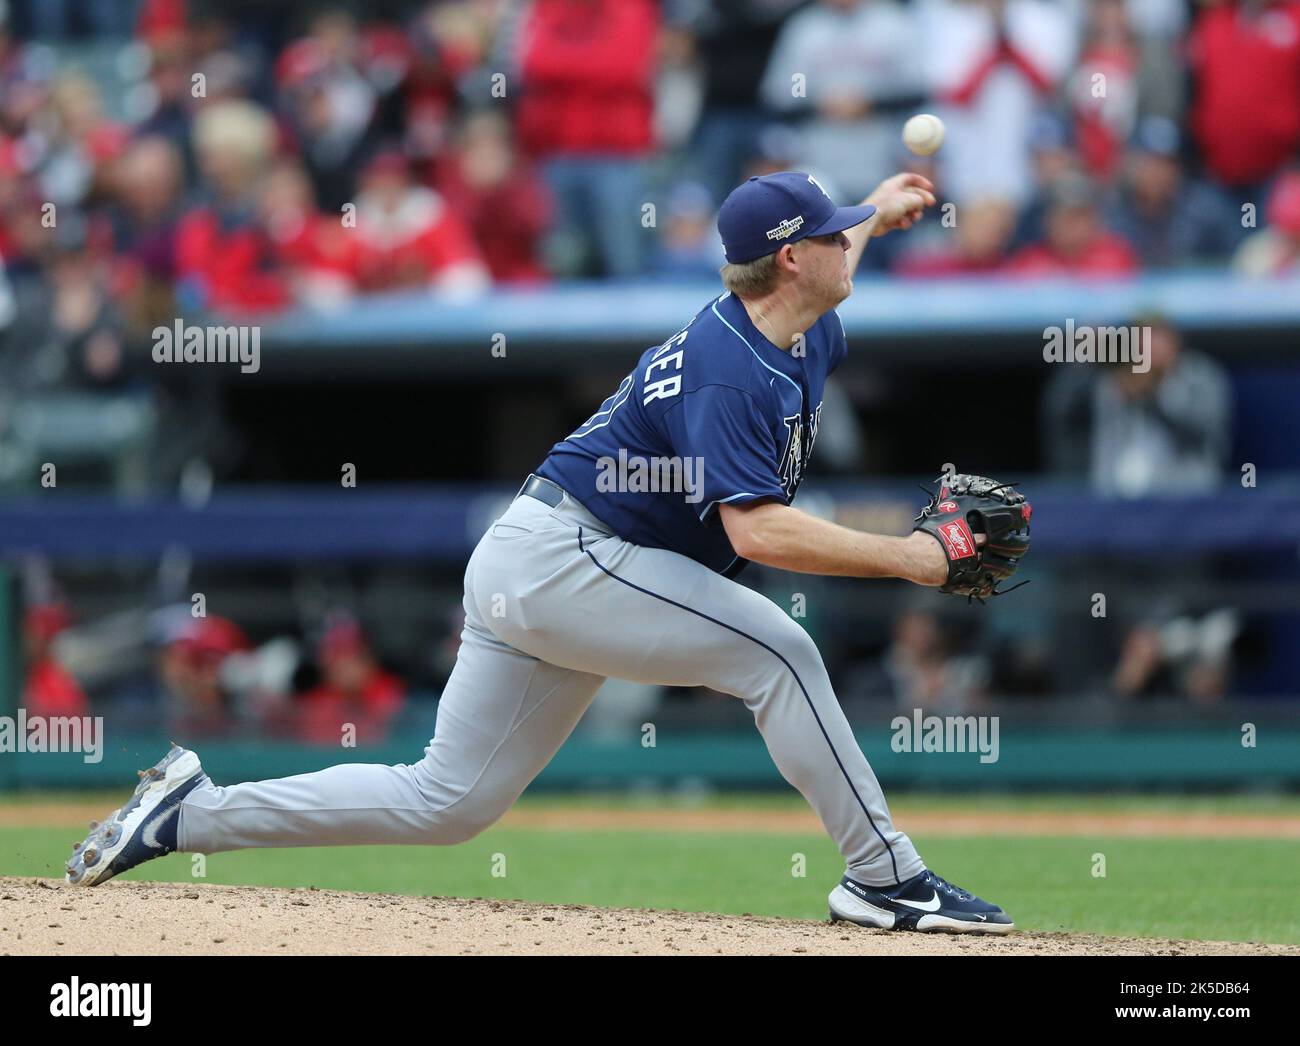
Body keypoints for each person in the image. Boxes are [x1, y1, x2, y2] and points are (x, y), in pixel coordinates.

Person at [67, 169, 1017, 935]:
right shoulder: (734, 371)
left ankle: (188, 814)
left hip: (543, 558)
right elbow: (755, 533)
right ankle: (886, 879)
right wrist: (913, 559)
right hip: (572, 557)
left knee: (447, 803)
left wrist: (878, 215)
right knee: (778, 651)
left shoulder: (800, 313)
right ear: (790, 258)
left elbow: (828, 247)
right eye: (833, 231)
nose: (845, 240)